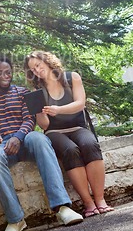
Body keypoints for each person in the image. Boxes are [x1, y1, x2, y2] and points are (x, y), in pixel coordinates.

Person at [0, 55, 83, 231]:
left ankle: (62, 208)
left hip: (25, 140)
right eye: (0, 73)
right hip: (3, 146)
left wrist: (19, 137)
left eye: (8, 71)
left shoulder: (23, 93)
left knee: (40, 139)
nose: (5, 75)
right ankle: (15, 220)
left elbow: (29, 119)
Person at [24, 50, 114, 218]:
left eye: (38, 65)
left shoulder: (72, 78)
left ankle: (100, 200)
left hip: (78, 127)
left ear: (47, 60)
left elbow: (80, 104)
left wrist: (58, 110)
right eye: (33, 69)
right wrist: (41, 113)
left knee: (90, 144)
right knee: (70, 150)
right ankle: (88, 203)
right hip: (54, 132)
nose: (36, 70)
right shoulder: (37, 91)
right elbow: (44, 125)